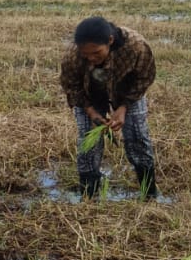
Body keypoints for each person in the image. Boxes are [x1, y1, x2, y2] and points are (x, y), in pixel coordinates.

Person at [59, 15, 157, 199]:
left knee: (137, 138)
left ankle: (149, 194)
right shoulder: (73, 55)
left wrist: (123, 108)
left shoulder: (136, 46)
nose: (91, 58)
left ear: (110, 41)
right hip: (90, 95)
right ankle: (89, 195)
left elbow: (145, 77)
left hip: (126, 92)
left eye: (96, 52)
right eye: (86, 54)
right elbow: (71, 86)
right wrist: (91, 111)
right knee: (88, 143)